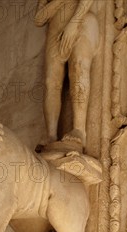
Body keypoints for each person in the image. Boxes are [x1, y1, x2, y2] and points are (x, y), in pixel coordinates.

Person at [35, 0, 99, 149]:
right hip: (55, 30)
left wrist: (74, 23)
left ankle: (79, 129)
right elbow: (39, 19)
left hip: (81, 21)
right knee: (51, 82)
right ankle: (51, 134)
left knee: (78, 69)